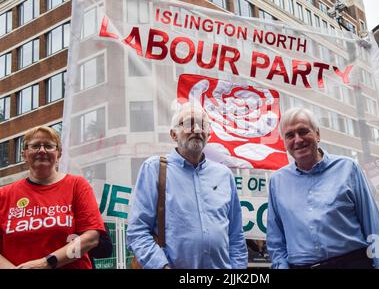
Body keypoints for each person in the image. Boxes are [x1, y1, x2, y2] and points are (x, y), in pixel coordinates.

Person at [267, 107, 379, 269]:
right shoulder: (277, 181)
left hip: (352, 264)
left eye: (303, 131)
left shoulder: (348, 168)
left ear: (317, 134)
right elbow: (276, 238)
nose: (298, 140)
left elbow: (372, 224)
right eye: (290, 135)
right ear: (285, 142)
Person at [126, 102, 248, 269]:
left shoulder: (224, 175)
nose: (197, 129)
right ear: (173, 135)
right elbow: (137, 231)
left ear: (209, 134)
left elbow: (236, 236)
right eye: (189, 123)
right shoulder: (154, 169)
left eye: (203, 124)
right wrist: (162, 267)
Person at [0, 126, 106, 269]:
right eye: (35, 146)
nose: (42, 150)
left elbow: (91, 238)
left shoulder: (77, 185)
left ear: (59, 154)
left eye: (49, 146)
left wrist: (46, 263)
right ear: (24, 154)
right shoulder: (4, 195)